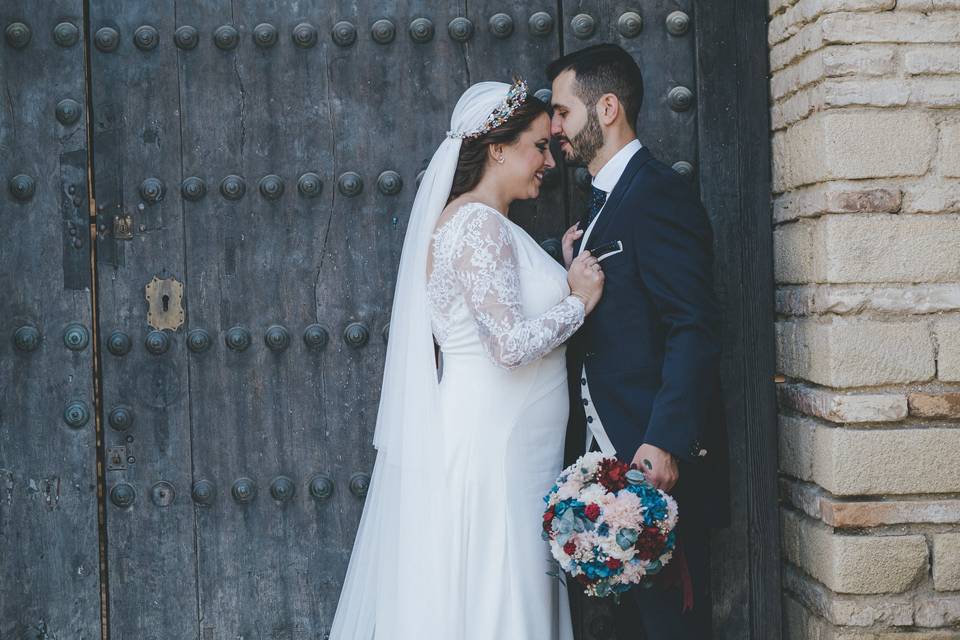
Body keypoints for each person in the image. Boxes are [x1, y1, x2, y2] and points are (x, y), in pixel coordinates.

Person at [329, 79, 604, 640]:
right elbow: (508, 346)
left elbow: (503, 308)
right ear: (497, 149)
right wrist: (577, 303)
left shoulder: (484, 222)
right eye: (537, 146)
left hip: (507, 436)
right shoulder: (478, 224)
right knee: (499, 581)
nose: (548, 161)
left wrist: (559, 268)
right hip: (495, 444)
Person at [548, 44, 730, 638]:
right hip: (604, 461)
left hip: (655, 462)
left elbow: (693, 326)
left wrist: (664, 441)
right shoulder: (602, 204)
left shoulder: (657, 195)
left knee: (670, 627)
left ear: (606, 108)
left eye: (562, 112)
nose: (554, 129)